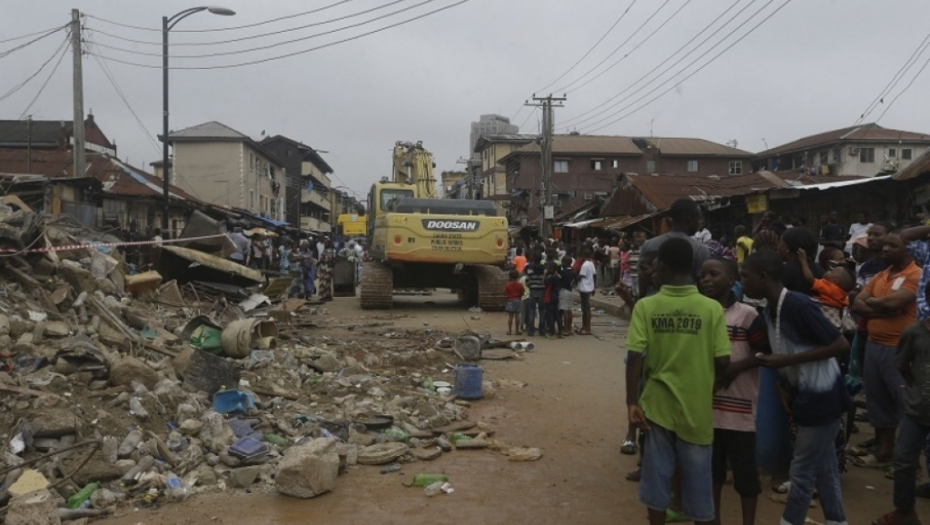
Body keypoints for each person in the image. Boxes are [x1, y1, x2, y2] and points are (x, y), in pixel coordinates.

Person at [626, 238, 731, 525]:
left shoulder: (646, 306)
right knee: (699, 486)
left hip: (657, 407)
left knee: (657, 480)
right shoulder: (711, 309)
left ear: (662, 266)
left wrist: (631, 402)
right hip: (697, 408)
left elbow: (635, 357)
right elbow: (723, 361)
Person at [739, 250, 850, 525]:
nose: (742, 282)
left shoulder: (798, 305)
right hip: (804, 395)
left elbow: (840, 344)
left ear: (763, 277)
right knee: (825, 469)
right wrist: (783, 384)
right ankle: (837, 520)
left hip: (822, 396)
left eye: (745, 276)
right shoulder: (770, 310)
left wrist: (785, 361)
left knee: (801, 472)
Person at [699, 257, 768, 525]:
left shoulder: (748, 315)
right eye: (703, 275)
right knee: (712, 473)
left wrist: (735, 368)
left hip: (739, 409)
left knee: (746, 477)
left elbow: (763, 353)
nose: (706, 280)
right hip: (706, 409)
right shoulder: (699, 312)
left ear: (731, 280)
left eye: (713, 274)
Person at [852, 231, 920, 467]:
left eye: (892, 246)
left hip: (899, 348)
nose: (885, 249)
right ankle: (884, 452)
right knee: (878, 402)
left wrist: (875, 304)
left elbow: (894, 302)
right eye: (885, 246)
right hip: (874, 345)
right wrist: (883, 309)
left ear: (909, 249)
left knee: (906, 403)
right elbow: (857, 303)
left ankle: (913, 463)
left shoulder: (916, 274)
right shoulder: (882, 274)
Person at [872, 316, 930, 525]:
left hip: (918, 406)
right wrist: (917, 388)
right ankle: (905, 512)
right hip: (918, 410)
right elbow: (902, 364)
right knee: (904, 460)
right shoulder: (914, 333)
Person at [638, 198, 712, 298]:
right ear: (689, 218)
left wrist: (639, 301)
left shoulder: (649, 244)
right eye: (698, 217)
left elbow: (642, 281)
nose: (700, 222)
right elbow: (704, 287)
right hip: (686, 304)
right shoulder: (700, 249)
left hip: (653, 304)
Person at [798, 247, 856, 325]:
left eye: (832, 272)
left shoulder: (829, 288)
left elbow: (809, 279)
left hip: (824, 311)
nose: (828, 271)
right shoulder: (841, 292)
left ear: (835, 281)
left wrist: (803, 261)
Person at [778, 227, 823, 296]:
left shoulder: (786, 270)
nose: (778, 247)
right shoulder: (818, 268)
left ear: (787, 248)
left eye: (781, 242)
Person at [524, 251, 547, 336]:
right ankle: (542, 330)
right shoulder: (544, 268)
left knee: (532, 310)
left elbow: (527, 280)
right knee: (542, 311)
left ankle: (531, 330)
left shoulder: (530, 268)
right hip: (542, 291)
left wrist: (530, 285)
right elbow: (545, 279)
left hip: (533, 291)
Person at [577, 248, 596, 335]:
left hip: (584, 288)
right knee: (586, 308)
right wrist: (594, 287)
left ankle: (586, 327)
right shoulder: (591, 263)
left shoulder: (584, 265)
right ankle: (585, 326)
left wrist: (575, 278)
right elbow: (594, 275)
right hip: (589, 287)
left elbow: (581, 276)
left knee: (585, 309)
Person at [543, 261, 562, 338]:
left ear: (552, 269)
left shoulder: (551, 277)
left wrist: (545, 274)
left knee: (550, 314)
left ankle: (552, 331)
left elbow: (545, 282)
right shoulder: (558, 277)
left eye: (548, 268)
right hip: (556, 296)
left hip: (550, 297)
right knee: (557, 314)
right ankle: (560, 330)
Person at [558, 256, 575, 337]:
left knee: (564, 310)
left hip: (563, 291)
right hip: (570, 291)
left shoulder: (563, 272)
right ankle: (570, 328)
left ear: (565, 263)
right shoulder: (572, 272)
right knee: (569, 309)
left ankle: (566, 329)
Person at [504, 269, 523, 335]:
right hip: (518, 300)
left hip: (510, 300)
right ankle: (517, 331)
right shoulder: (519, 285)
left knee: (510, 316)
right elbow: (522, 292)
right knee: (517, 316)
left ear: (510, 276)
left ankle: (509, 331)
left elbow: (505, 292)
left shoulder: (507, 284)